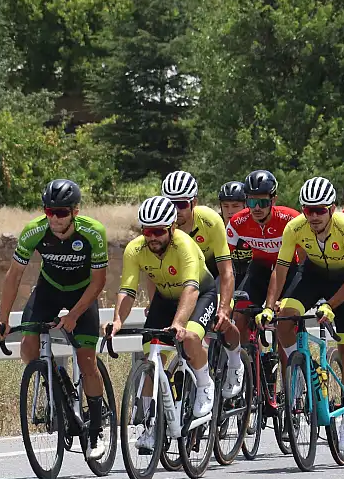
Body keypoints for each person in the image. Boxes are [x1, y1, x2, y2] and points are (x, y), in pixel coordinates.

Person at [0, 179, 110, 456]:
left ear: (74, 212)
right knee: (28, 348)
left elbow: (99, 282)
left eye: (61, 213)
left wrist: (74, 315)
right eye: (49, 211)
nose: (54, 218)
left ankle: (96, 430)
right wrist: (3, 318)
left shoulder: (93, 233)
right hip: (48, 290)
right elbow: (13, 276)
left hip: (82, 295)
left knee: (86, 360)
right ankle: (54, 383)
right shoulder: (34, 231)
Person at [256, 177, 344, 452]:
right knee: (284, 319)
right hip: (313, 275)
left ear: (332, 208)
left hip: (343, 283)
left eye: (319, 210)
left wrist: (330, 304)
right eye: (308, 210)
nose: (313, 216)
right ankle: (300, 370)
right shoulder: (295, 227)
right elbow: (280, 270)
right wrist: (270, 306)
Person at [106, 196, 218, 453]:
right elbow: (127, 289)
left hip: (200, 294)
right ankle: (150, 426)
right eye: (147, 231)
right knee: (152, 361)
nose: (152, 237)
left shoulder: (185, 246)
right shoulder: (135, 249)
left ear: (172, 228)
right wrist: (117, 321)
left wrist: (179, 323)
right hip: (164, 299)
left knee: (189, 336)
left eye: (158, 231)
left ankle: (204, 383)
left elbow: (191, 288)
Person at [162, 171, 241, 398]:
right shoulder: (162, 226)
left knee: (218, 321)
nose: (176, 210)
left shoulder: (210, 221)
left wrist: (225, 307)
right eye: (170, 203)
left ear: (194, 202)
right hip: (184, 278)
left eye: (182, 204)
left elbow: (226, 270)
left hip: (213, 274)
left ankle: (236, 362)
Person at [224, 169, 301, 340]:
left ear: (273, 200)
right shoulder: (238, 222)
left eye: (263, 202)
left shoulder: (291, 219)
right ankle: (247, 363)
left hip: (290, 270)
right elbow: (223, 260)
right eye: (251, 202)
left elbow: (306, 255)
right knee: (239, 316)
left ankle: (288, 366)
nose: (257, 208)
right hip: (259, 269)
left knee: (283, 322)